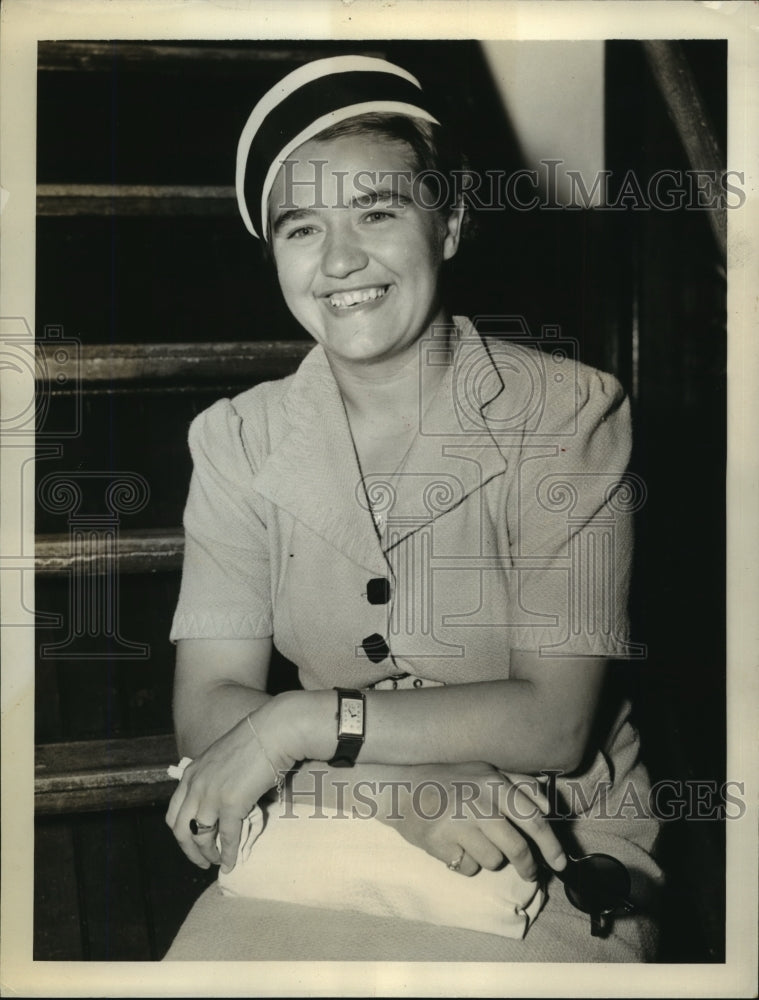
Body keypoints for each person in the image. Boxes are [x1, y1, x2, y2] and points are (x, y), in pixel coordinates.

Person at [163, 54, 662, 962]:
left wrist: (295, 723)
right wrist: (392, 789)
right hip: (328, 819)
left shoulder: (568, 414)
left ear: (452, 223)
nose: (341, 259)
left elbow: (553, 724)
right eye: (301, 228)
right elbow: (205, 710)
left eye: (378, 213)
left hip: (555, 844)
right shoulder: (236, 439)